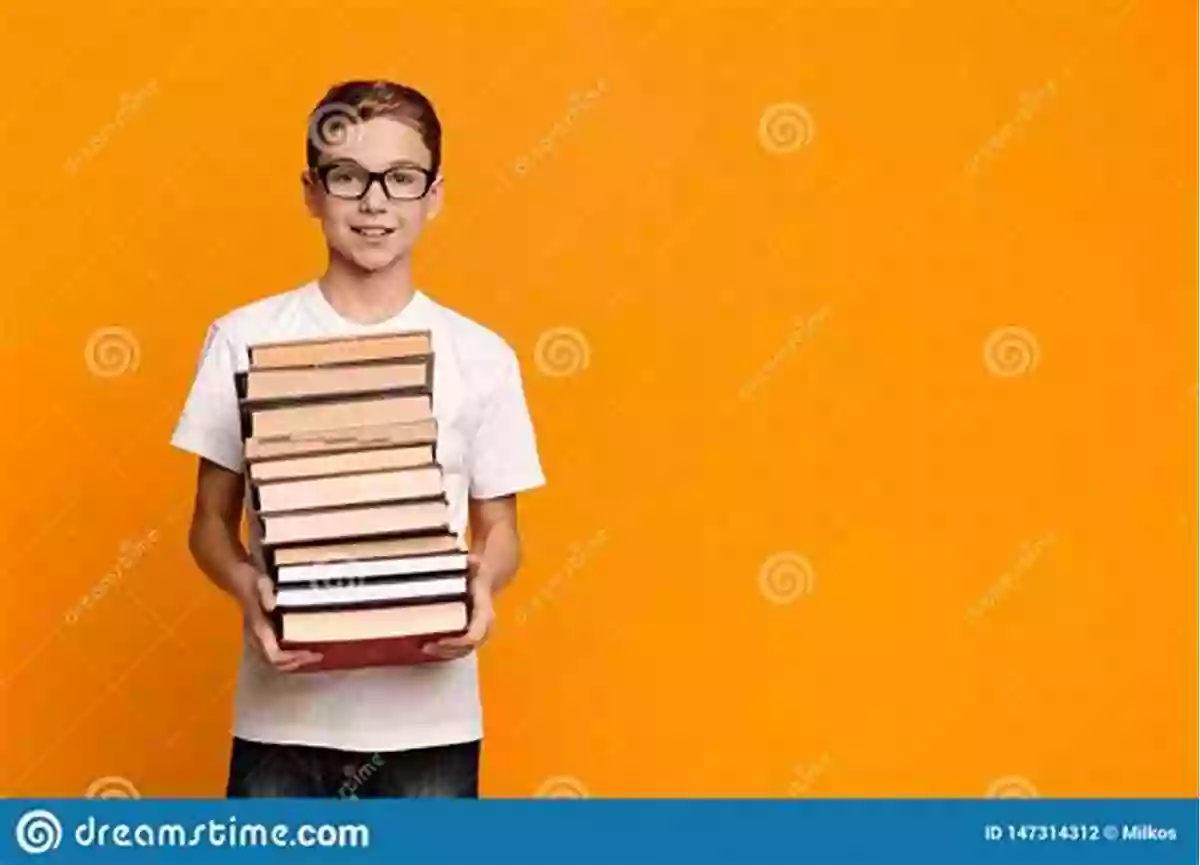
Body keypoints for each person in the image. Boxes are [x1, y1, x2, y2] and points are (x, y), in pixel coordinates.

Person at [170, 80, 545, 798]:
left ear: (433, 194)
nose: (375, 203)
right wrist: (248, 587)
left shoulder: (480, 353)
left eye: (401, 179)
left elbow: (501, 528)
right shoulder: (244, 339)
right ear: (312, 192)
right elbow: (208, 523)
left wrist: (484, 584)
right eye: (348, 177)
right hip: (282, 724)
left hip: (431, 725)